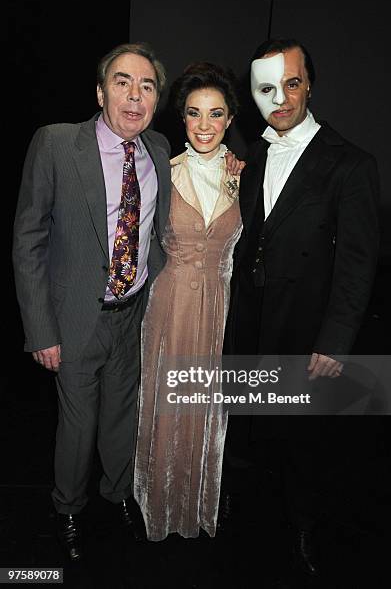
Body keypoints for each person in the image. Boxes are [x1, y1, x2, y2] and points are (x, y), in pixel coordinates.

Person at [225, 38, 380, 575]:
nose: (281, 98)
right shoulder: (255, 154)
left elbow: (358, 263)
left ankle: (304, 534)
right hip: (254, 318)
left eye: (292, 83)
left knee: (306, 442)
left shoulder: (351, 164)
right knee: (259, 433)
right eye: (267, 87)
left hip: (307, 326)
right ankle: (258, 527)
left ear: (309, 83)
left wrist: (335, 341)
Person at [12, 43, 172, 561]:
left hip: (131, 317)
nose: (135, 94)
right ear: (101, 91)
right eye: (123, 82)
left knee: (122, 417)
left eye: (147, 86)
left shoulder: (161, 150)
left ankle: (117, 495)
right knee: (77, 428)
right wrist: (41, 329)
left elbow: (158, 230)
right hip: (76, 319)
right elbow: (29, 239)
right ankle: (69, 509)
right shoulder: (58, 143)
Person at [133, 62, 242, 541]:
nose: (203, 126)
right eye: (194, 114)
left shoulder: (242, 175)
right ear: (182, 118)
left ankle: (197, 506)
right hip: (171, 304)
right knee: (165, 407)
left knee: (203, 411)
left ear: (229, 120)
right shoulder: (163, 171)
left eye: (215, 115)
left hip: (218, 308)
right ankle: (157, 507)